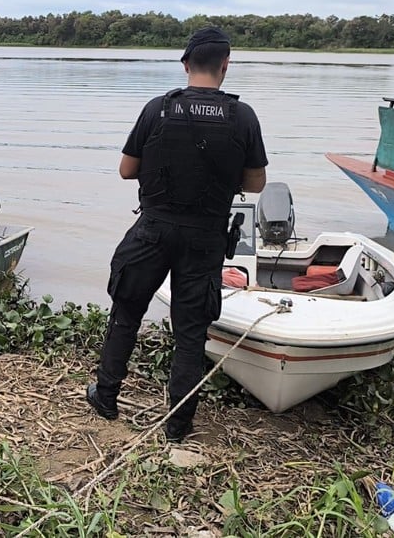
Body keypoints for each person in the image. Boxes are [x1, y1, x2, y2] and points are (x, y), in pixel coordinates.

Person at [85, 27, 268, 441]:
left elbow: (126, 170)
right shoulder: (243, 116)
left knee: (127, 313)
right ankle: (178, 426)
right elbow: (256, 184)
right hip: (204, 238)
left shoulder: (158, 109)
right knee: (190, 334)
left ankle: (106, 396)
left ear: (185, 65)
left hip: (152, 230)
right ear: (226, 65)